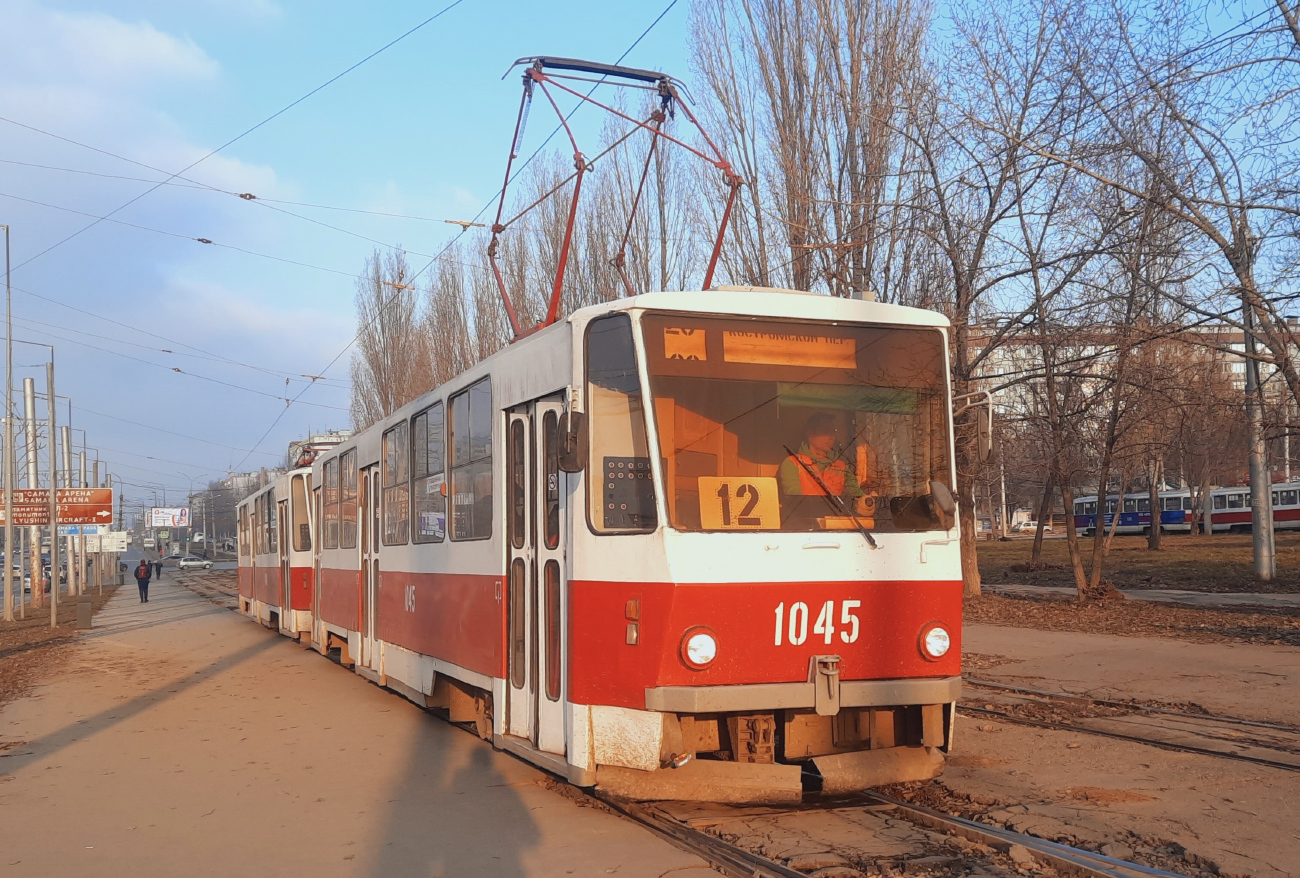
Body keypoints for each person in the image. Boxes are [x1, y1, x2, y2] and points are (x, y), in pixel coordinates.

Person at [779, 412, 867, 514]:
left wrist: (868, 500)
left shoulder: (842, 467)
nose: (831, 437)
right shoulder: (793, 463)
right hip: (806, 524)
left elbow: (858, 497)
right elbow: (795, 502)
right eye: (826, 431)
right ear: (811, 434)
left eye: (833, 431)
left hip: (838, 523)